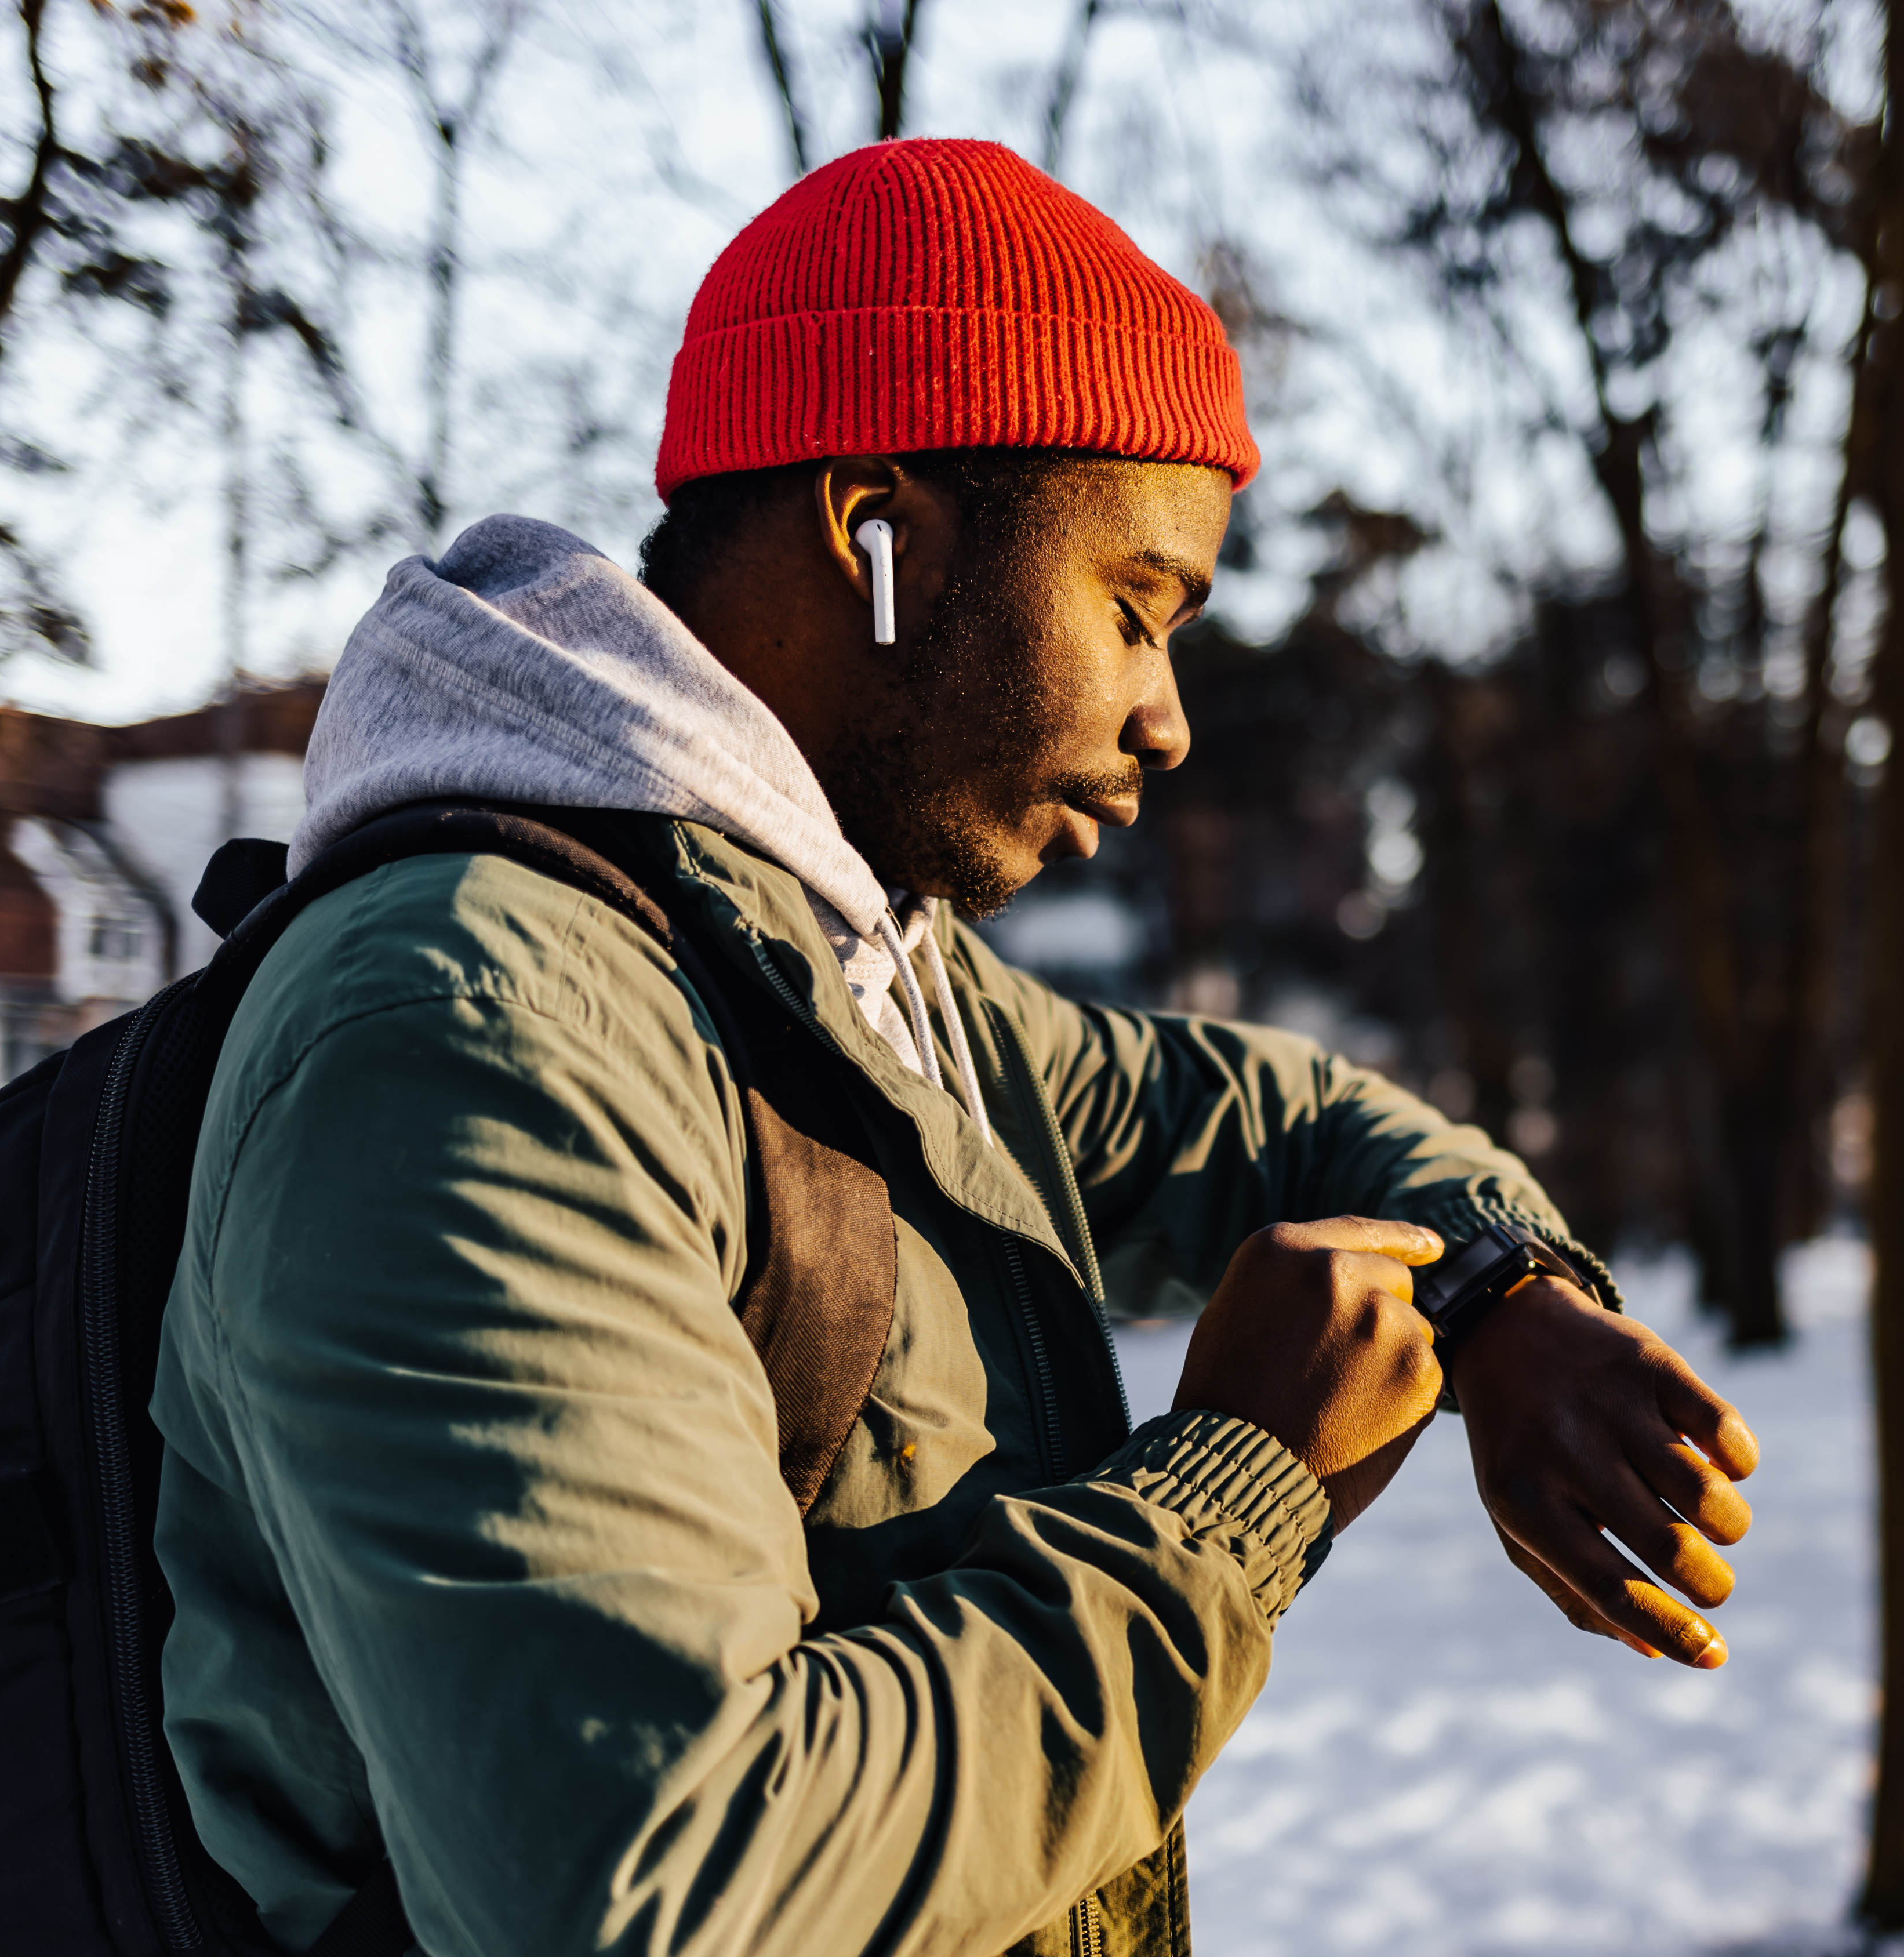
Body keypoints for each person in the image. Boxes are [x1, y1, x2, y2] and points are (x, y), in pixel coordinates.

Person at [150, 137, 1760, 1957]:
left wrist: (1505, 1288)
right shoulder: (474, 1028)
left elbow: (1274, 1124)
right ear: (881, 536)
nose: (1167, 719)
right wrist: (1237, 1485)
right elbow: (660, 1890)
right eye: (1136, 606)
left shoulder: (855, 975)